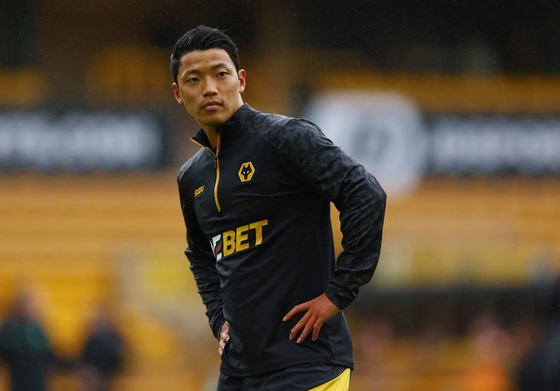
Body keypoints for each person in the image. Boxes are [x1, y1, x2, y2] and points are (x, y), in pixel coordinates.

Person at [171, 25, 386, 391]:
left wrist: (339, 293)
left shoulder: (286, 138)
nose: (209, 88)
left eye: (220, 74)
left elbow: (365, 193)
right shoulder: (191, 177)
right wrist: (217, 317)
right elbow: (201, 255)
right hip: (239, 372)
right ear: (178, 93)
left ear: (240, 79)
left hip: (308, 365)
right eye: (194, 79)